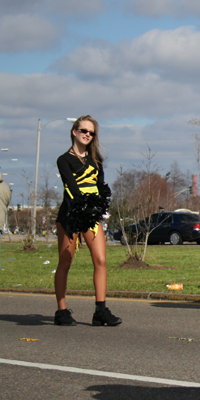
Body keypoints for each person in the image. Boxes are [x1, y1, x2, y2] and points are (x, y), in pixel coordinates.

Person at [54, 115, 121, 327]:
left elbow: (101, 187)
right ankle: (61, 311)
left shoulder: (96, 161)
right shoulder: (63, 160)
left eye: (91, 133)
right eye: (83, 131)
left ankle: (100, 310)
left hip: (92, 216)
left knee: (100, 260)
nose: (87, 135)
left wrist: (99, 208)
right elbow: (71, 187)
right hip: (71, 215)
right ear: (74, 132)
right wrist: (83, 205)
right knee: (65, 261)